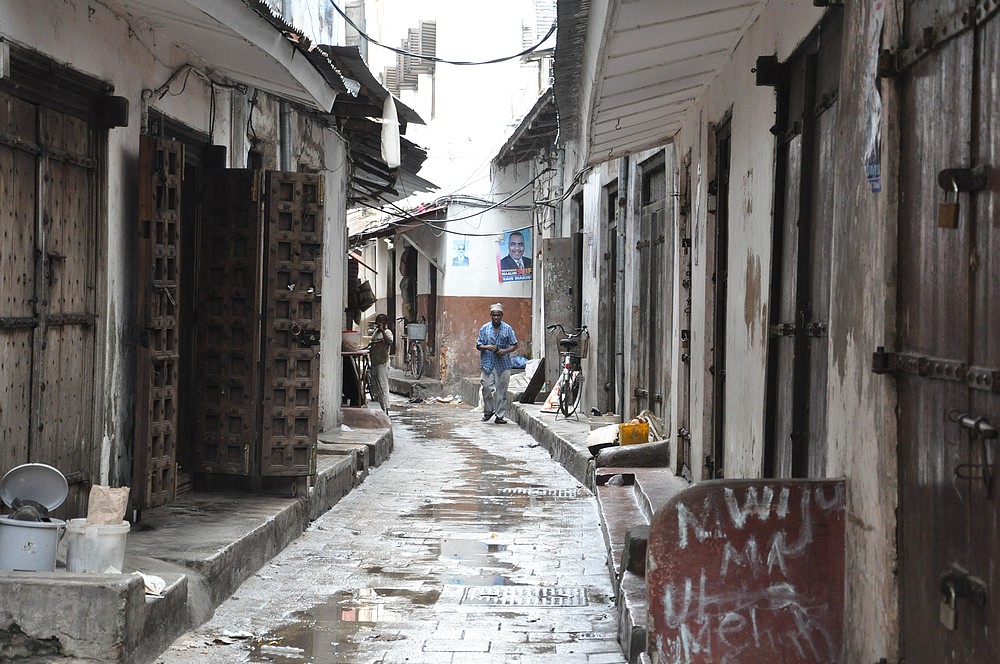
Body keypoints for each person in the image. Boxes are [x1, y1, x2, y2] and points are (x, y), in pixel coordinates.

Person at [476, 303, 518, 424]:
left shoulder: (507, 329)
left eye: (498, 315)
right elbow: (478, 345)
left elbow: (514, 344)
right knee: (486, 387)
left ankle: (500, 415)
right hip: (488, 363)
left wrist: (505, 351)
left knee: (502, 391)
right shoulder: (484, 328)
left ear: (501, 315)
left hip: (503, 364)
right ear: (490, 315)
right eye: (493, 315)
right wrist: (488, 347)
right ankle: (488, 411)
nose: (496, 317)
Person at [369, 313, 394, 413]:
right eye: (377, 321)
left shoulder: (387, 332)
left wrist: (382, 330)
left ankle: (386, 408)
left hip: (382, 363)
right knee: (375, 386)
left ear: (385, 323)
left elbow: (389, 342)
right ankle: (379, 407)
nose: (378, 323)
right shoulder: (375, 333)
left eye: (381, 321)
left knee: (383, 385)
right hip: (375, 362)